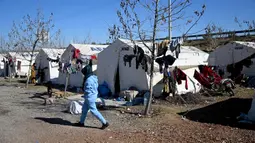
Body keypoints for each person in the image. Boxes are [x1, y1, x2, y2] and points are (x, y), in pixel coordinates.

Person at [75, 61, 109, 129]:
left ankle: (104, 122)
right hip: (92, 96)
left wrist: (83, 92)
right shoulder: (94, 77)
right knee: (84, 109)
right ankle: (81, 122)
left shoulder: (88, 80)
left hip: (89, 97)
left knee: (94, 111)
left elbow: (87, 90)